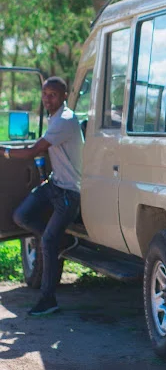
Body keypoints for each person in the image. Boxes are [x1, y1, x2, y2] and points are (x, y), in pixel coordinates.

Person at [0, 77, 83, 316]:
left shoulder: (65, 120)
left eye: (53, 95)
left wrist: (3, 152)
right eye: (45, 94)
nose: (47, 99)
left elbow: (33, 151)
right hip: (54, 184)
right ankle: (58, 239)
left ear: (64, 96)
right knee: (21, 215)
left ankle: (48, 299)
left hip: (69, 192)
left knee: (46, 241)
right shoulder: (55, 117)